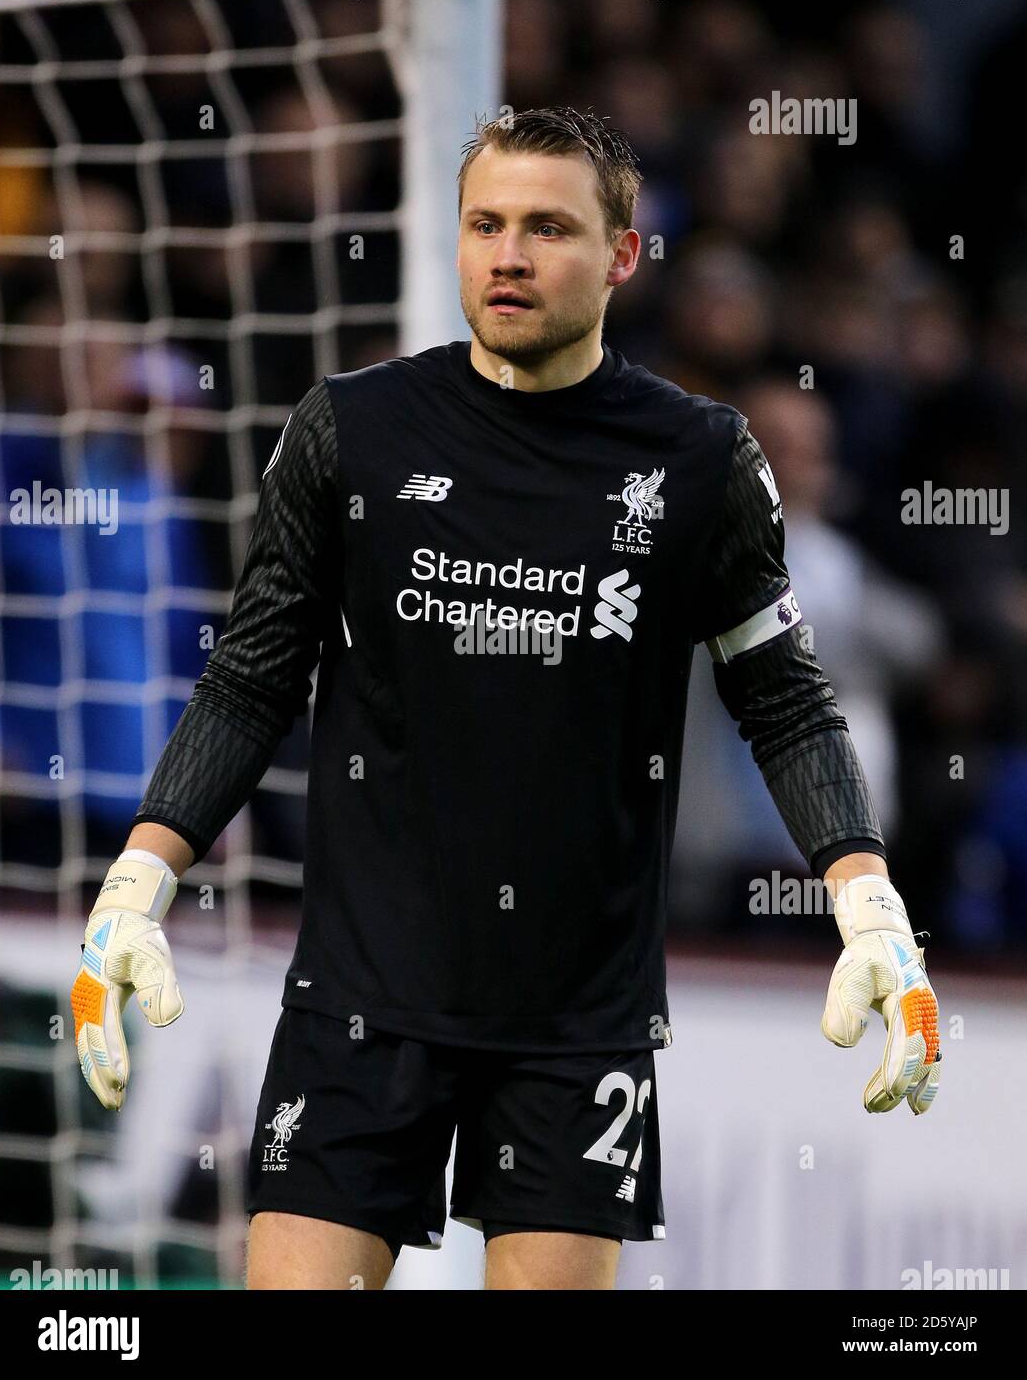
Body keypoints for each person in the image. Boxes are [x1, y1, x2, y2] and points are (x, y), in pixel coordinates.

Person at [69, 107, 940, 1291]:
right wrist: (138, 879)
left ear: (622, 256)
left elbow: (782, 698)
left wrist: (869, 902)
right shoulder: (351, 430)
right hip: (360, 998)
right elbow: (254, 669)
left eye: (546, 227)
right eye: (485, 224)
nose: (508, 255)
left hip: (576, 1021)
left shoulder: (700, 460)